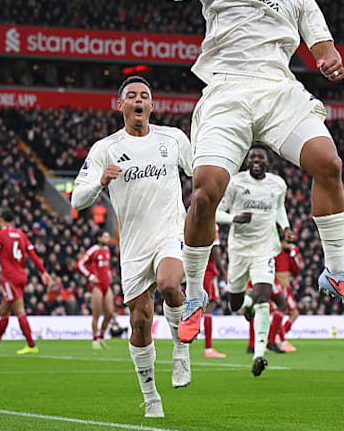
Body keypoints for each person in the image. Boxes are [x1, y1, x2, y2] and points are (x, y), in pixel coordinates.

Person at [126, 0, 344, 345]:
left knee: (328, 163)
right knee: (205, 192)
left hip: (279, 91)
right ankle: (197, 295)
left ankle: (335, 270)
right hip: (226, 90)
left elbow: (323, 46)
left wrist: (330, 61)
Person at [71, 76, 193, 418]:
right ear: (120, 105)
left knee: (170, 283)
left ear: (152, 105)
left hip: (170, 230)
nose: (139, 101)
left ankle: (181, 350)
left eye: (145, 96)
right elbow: (77, 200)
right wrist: (100, 180)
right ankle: (151, 396)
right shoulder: (105, 148)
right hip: (134, 245)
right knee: (139, 322)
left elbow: (198, 171)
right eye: (132, 96)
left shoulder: (173, 138)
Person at [215, 146, 290, 376]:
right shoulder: (235, 183)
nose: (256, 160)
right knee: (235, 303)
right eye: (252, 157)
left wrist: (285, 227)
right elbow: (217, 212)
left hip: (265, 248)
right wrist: (233, 218)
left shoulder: (277, 184)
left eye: (260, 157)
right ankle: (246, 303)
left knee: (263, 296)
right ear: (247, 162)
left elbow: (279, 209)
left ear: (267, 163)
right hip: (238, 250)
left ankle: (259, 354)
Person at [0, 208, 52, 355]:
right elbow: (32, 255)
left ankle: (31, 345)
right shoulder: (21, 235)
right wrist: (43, 271)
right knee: (4, 310)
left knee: (19, 310)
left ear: (1, 220)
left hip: (9, 277)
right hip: (21, 276)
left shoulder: (0, 235)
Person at [77, 230, 114, 349]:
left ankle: (102, 336)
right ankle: (95, 339)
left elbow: (106, 267)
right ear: (99, 238)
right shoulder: (93, 250)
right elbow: (80, 264)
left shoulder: (107, 250)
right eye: (105, 236)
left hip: (106, 285)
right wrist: (91, 277)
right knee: (96, 313)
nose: (108, 239)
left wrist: (109, 275)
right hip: (97, 286)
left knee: (109, 313)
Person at [273, 237, 303, 351]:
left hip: (286, 288)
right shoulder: (274, 254)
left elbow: (295, 271)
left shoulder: (287, 255)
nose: (288, 244)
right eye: (287, 242)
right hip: (277, 288)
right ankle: (279, 339)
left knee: (294, 313)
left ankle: (279, 336)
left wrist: (293, 255)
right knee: (279, 313)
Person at [203, 225, 228, 358]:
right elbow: (215, 250)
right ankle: (208, 349)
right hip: (208, 271)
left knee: (198, 305)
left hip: (195, 269)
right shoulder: (211, 223)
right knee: (210, 305)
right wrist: (224, 272)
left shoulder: (191, 218)